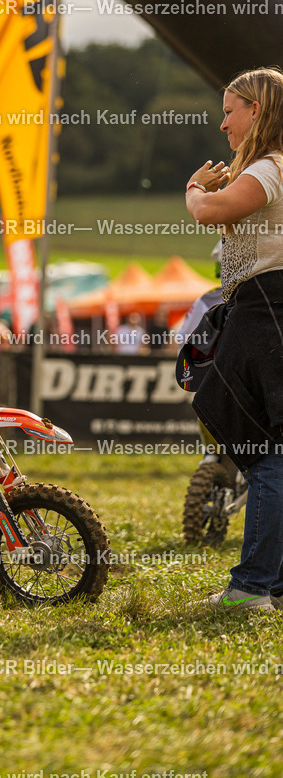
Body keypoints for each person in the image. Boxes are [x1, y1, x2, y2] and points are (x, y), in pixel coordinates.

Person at [184, 66, 283, 612]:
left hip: (265, 313)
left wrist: (196, 189)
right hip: (267, 310)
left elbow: (209, 212)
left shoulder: (269, 169)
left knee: (262, 452)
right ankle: (272, 585)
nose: (223, 125)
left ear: (258, 110)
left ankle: (251, 587)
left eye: (230, 111)